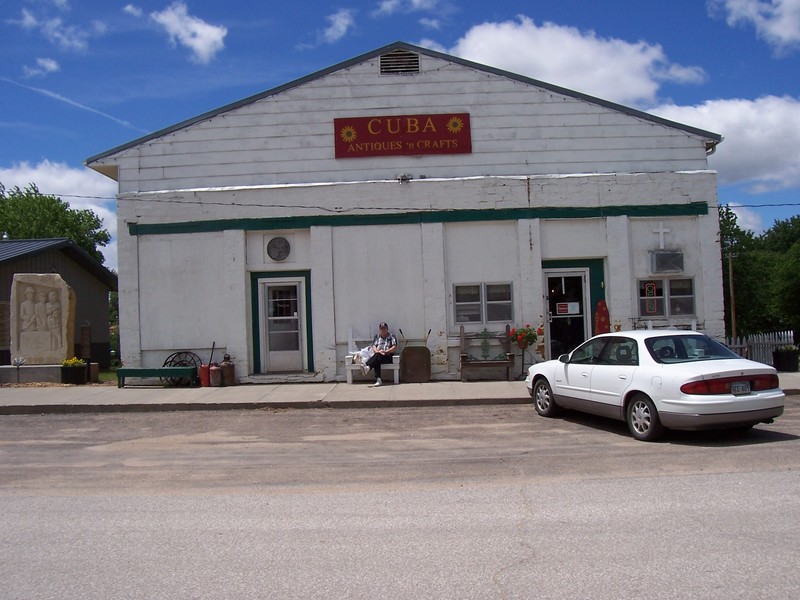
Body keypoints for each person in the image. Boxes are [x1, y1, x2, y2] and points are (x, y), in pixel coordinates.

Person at [362, 322, 397, 387]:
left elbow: (394, 347)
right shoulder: (377, 337)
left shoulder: (392, 336)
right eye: (382, 329)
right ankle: (378, 380)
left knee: (377, 358)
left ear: (387, 329)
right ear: (380, 330)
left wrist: (386, 351)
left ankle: (368, 367)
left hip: (388, 356)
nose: (383, 330)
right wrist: (378, 351)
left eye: (384, 328)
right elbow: (374, 346)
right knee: (377, 359)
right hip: (378, 355)